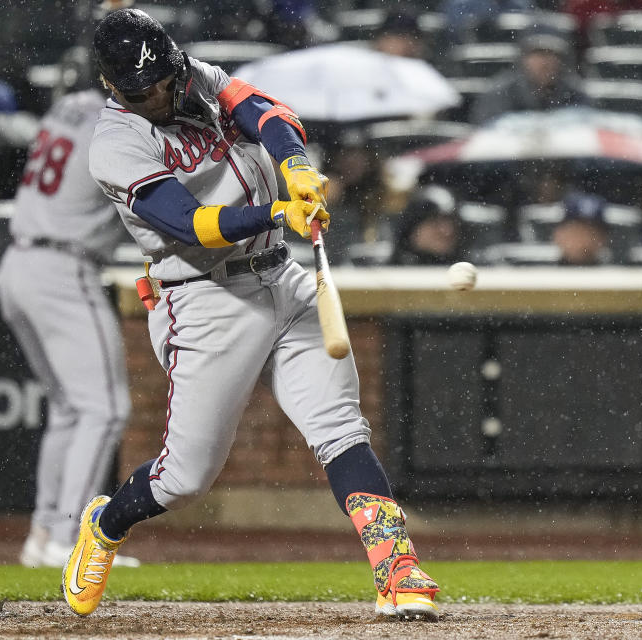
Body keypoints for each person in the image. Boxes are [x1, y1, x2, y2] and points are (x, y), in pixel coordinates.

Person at [61, 8, 440, 621]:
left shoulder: (196, 78)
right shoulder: (115, 143)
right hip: (205, 298)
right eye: (142, 88)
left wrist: (294, 168)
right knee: (184, 481)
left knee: (340, 428)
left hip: (280, 278)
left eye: (163, 78)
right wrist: (276, 214)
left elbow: (269, 114)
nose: (158, 93)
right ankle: (107, 522)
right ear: (112, 87)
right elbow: (190, 224)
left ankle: (396, 566)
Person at [0, 87, 138, 569]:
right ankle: (71, 538)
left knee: (69, 409)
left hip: (18, 261)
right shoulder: (120, 126)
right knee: (106, 408)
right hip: (63, 265)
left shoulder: (71, 103)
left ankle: (42, 536)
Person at [472, 26, 590, 124]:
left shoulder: (576, 93)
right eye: (538, 54)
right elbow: (487, 134)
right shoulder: (499, 93)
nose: (545, 62)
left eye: (551, 54)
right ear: (523, 59)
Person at [390, 185, 466, 265]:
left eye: (453, 222)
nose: (448, 231)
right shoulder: (383, 269)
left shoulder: (473, 266)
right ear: (412, 228)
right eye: (435, 222)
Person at [552, 190, 611, 265]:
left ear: (605, 238)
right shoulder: (538, 274)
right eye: (577, 233)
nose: (585, 241)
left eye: (592, 233)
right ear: (558, 235)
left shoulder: (620, 274)